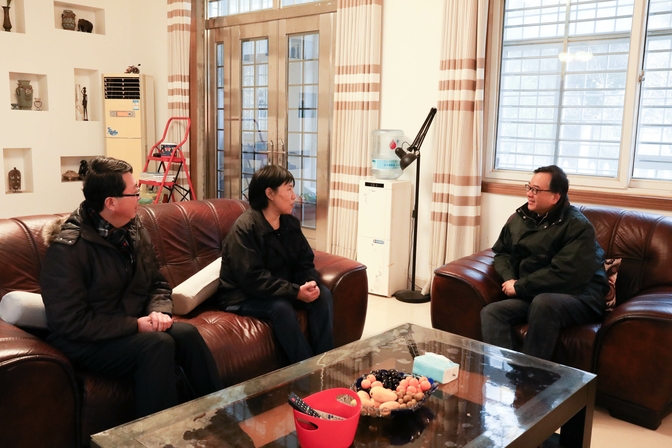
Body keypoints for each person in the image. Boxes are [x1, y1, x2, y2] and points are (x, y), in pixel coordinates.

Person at [40, 156, 222, 418]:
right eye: (134, 192)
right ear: (111, 202)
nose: (140, 197)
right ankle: (157, 434)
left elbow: (157, 281)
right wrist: (135, 325)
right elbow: (69, 322)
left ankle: (219, 414)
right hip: (83, 341)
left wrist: (159, 311)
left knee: (187, 335)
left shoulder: (133, 229)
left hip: (128, 326)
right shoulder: (68, 248)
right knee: (157, 344)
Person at [480, 165, 609, 360]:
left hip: (580, 296)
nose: (529, 194)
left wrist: (520, 286)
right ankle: (505, 372)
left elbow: (564, 274)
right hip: (536, 292)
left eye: (536, 190)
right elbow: (502, 252)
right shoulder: (521, 218)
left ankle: (530, 374)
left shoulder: (578, 226)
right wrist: (510, 279)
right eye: (529, 187)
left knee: (544, 303)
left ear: (555, 197)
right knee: (492, 313)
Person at [216, 165, 333, 364]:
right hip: (243, 295)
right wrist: (294, 292)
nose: (294, 196)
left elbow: (304, 260)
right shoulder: (244, 229)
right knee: (281, 307)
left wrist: (309, 282)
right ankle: (307, 371)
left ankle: (326, 363)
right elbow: (253, 279)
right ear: (270, 193)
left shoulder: (289, 223)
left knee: (322, 295)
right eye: (289, 189)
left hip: (278, 288)